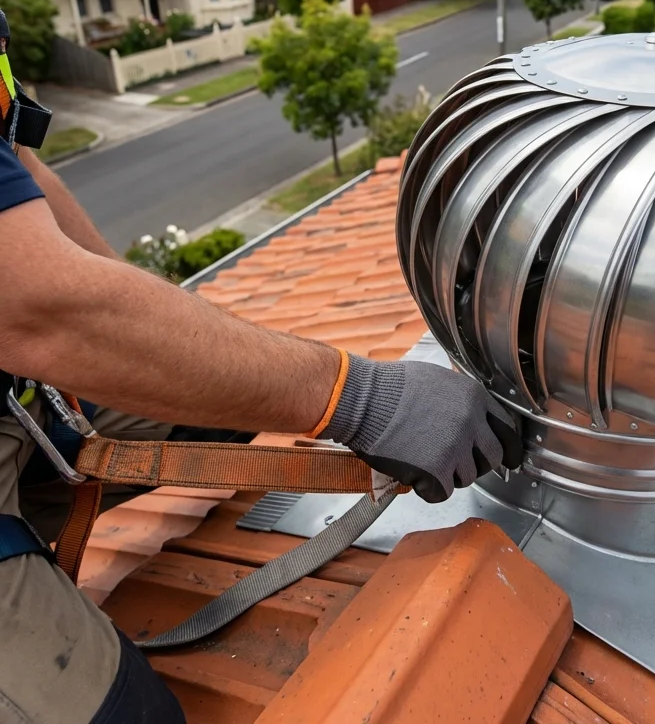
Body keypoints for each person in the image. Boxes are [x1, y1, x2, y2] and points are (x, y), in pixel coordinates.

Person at [0, 42, 522, 720]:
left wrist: (147, 329)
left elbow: (20, 164)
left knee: (215, 403)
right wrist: (362, 400)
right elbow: (37, 307)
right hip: (22, 336)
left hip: (21, 386)